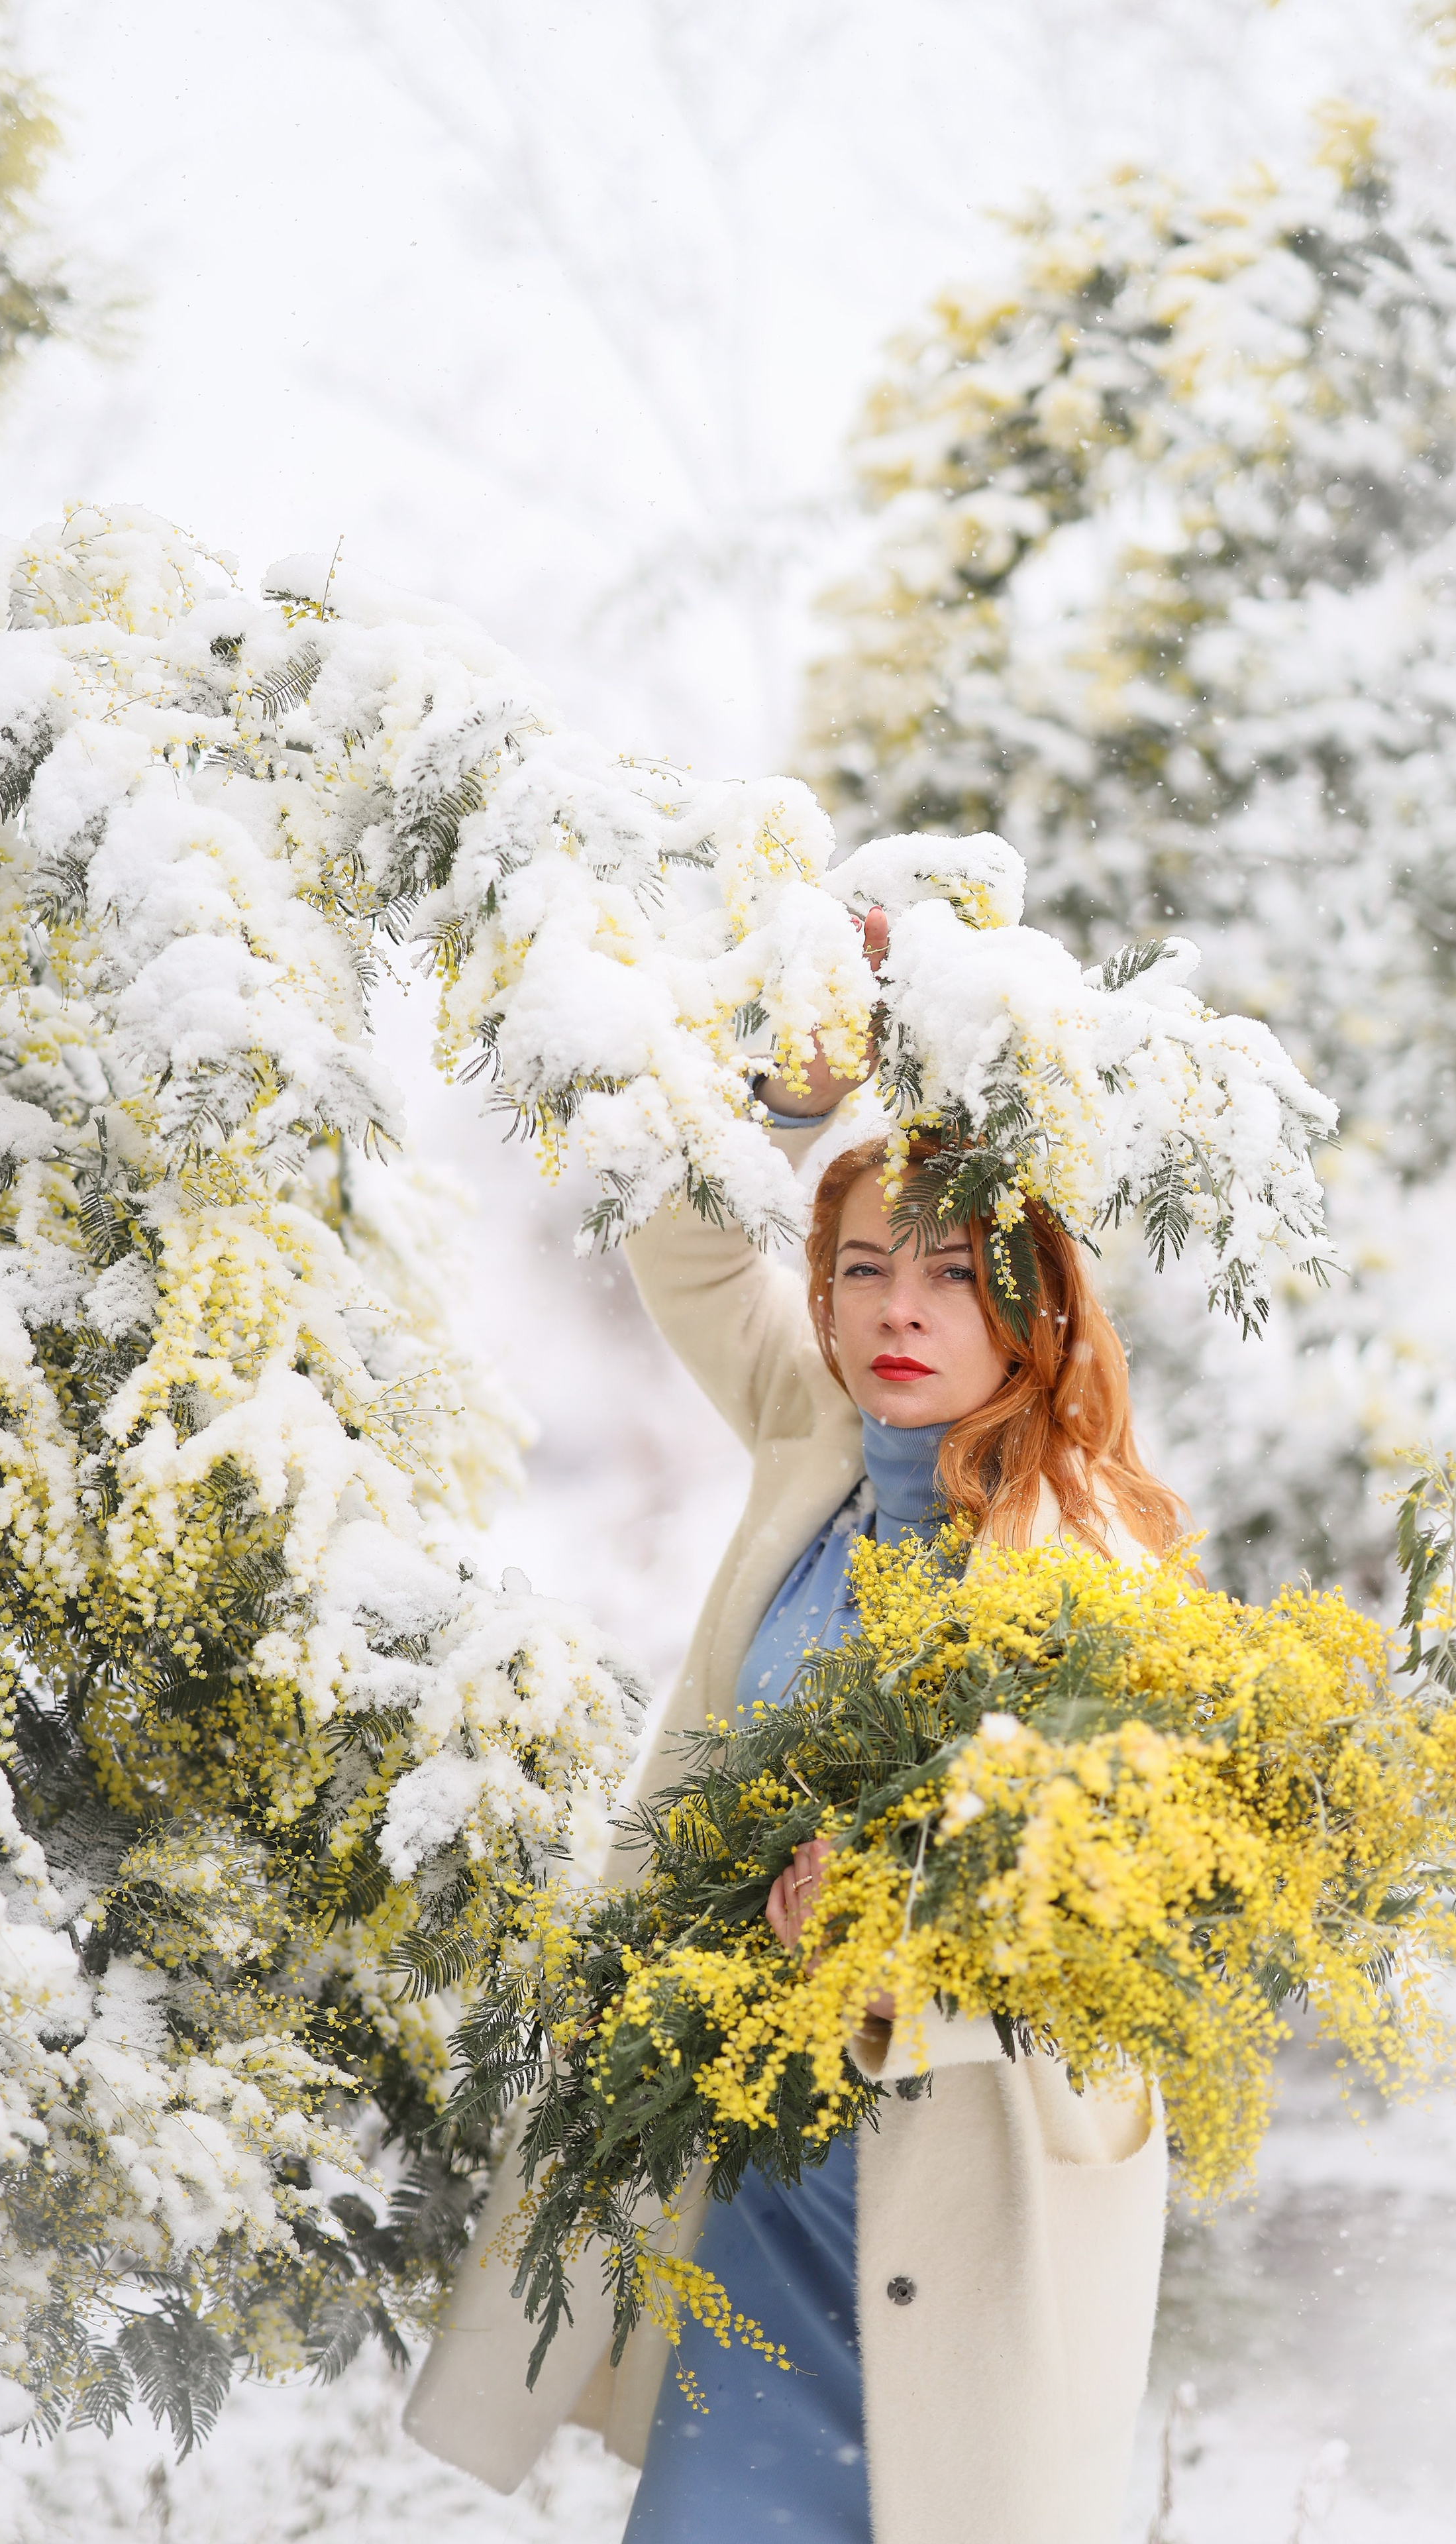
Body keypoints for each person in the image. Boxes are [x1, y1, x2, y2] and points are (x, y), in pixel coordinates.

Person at [405, 910, 1187, 2544]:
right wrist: (791, 1093)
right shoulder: (812, 1443)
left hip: (971, 2190)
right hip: (758, 2191)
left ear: (1029, 1310)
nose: (899, 1308)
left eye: (952, 1276)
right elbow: (682, 1244)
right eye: (861, 1268)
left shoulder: (1087, 1557)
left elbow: (1129, 1879)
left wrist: (909, 1913)